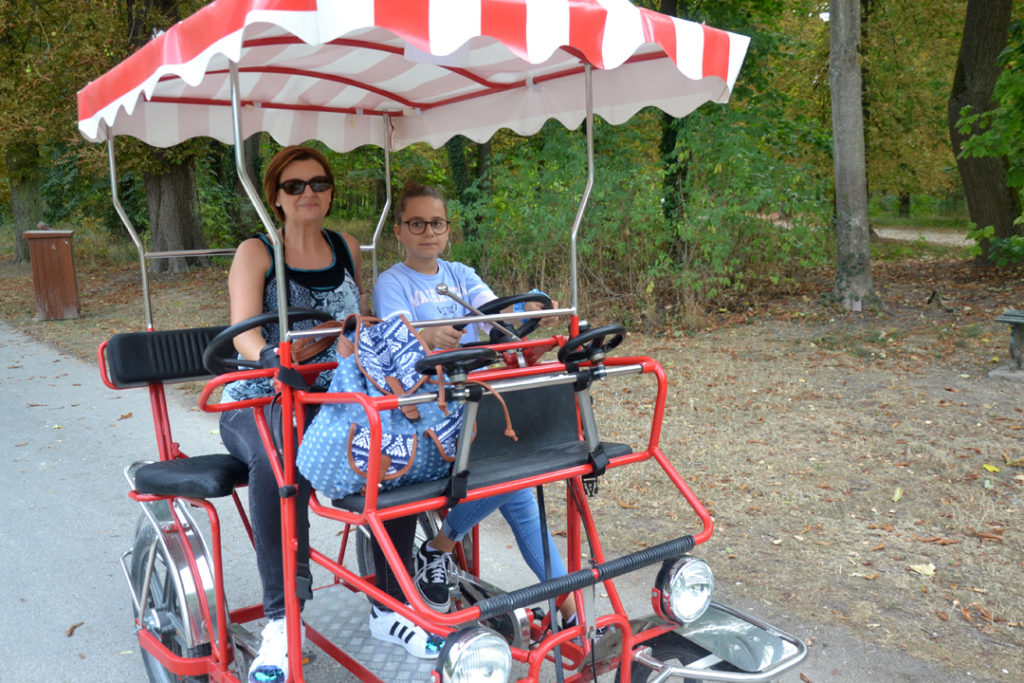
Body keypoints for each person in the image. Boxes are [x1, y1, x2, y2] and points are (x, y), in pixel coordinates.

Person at [372, 181, 581, 629]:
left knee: (521, 481)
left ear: (448, 229)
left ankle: (572, 619)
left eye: (437, 223)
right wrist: (428, 336)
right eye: (417, 224)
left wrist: (525, 316)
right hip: (429, 405)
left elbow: (495, 316)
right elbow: (396, 335)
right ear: (399, 230)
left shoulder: (461, 275)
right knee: (518, 479)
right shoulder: (392, 282)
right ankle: (570, 616)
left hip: (479, 401)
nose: (429, 232)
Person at [219, 145, 365, 683]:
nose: (309, 193)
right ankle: (283, 618)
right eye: (294, 185)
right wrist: (274, 355)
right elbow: (244, 333)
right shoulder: (257, 251)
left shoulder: (347, 247)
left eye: (319, 183)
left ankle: (393, 599)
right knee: (283, 452)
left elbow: (358, 322)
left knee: (397, 442)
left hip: (334, 398)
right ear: (276, 197)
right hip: (261, 398)